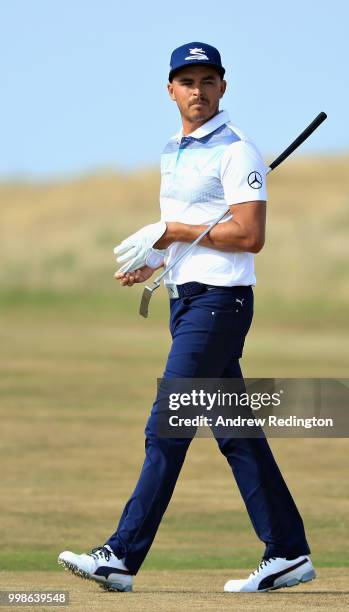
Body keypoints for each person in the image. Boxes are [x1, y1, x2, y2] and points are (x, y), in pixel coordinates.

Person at [58, 41, 315, 594]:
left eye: (207, 81)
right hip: (187, 300)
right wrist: (156, 256)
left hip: (220, 305)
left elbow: (250, 236)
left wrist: (170, 232)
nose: (197, 92)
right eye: (186, 82)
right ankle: (288, 551)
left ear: (223, 87)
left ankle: (120, 556)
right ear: (170, 90)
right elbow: (190, 225)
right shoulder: (172, 151)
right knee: (237, 435)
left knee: (166, 427)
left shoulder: (237, 151)